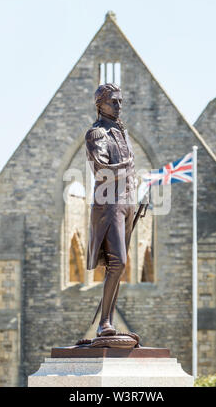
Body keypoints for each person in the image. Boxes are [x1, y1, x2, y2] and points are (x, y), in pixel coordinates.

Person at [85, 83, 137, 337]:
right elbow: (102, 169)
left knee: (120, 267)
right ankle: (104, 322)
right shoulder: (97, 134)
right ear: (100, 104)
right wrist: (126, 165)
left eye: (120, 101)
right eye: (113, 101)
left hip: (127, 204)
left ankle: (109, 322)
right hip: (109, 204)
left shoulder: (121, 133)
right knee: (118, 262)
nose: (118, 105)